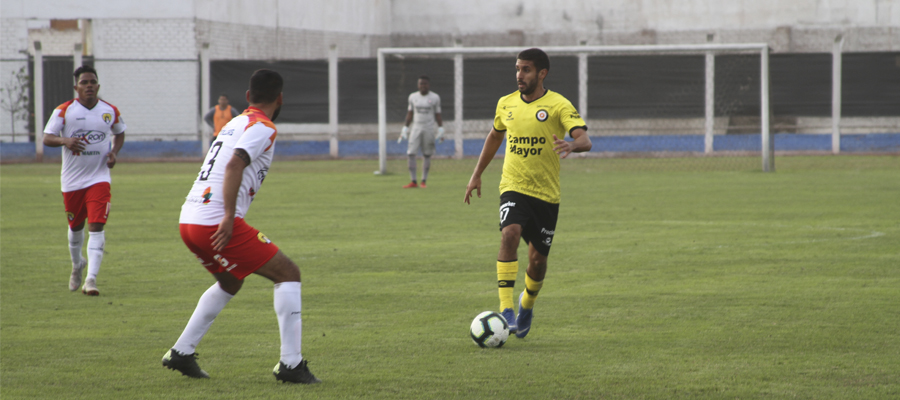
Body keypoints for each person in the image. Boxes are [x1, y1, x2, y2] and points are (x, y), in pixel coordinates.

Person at [162, 69, 320, 384]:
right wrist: (229, 215)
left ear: (247, 97)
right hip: (215, 221)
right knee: (288, 273)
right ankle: (291, 364)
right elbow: (235, 163)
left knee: (231, 281)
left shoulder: (234, 122)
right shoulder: (263, 126)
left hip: (189, 218)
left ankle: (181, 352)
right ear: (281, 98)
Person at [464, 48, 592, 338]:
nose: (519, 75)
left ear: (541, 73)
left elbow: (585, 138)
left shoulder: (558, 104)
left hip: (546, 194)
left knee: (538, 262)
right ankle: (506, 308)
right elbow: (495, 135)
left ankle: (527, 304)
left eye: (526, 70)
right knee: (508, 233)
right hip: (513, 186)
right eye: (517, 69)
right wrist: (476, 174)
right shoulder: (506, 103)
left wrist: (573, 145)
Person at [42, 65, 126, 296]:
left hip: (99, 178)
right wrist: (65, 141)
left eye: (92, 82)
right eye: (84, 82)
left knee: (96, 226)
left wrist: (114, 152)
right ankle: (77, 265)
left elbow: (119, 132)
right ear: (76, 87)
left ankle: (91, 280)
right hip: (72, 181)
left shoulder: (110, 110)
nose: (89, 86)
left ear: (98, 86)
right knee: (75, 227)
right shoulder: (64, 111)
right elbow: (47, 138)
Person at [397, 75, 443, 188]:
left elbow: (438, 114)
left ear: (429, 85)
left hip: (428, 128)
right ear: (418, 85)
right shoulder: (413, 97)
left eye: (425, 84)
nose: (423, 86)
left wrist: (441, 128)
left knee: (427, 154)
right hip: (416, 128)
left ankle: (423, 181)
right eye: (421, 84)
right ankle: (413, 181)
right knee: (411, 153)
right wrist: (405, 128)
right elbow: (410, 113)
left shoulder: (435, 97)